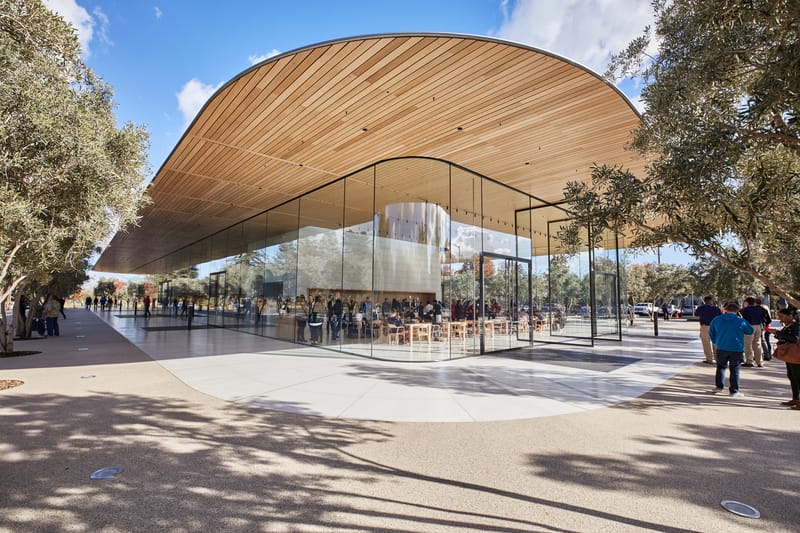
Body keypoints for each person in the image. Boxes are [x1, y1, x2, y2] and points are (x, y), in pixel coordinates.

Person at [709, 301, 753, 397]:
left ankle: (719, 387)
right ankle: (734, 391)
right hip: (736, 347)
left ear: (725, 309)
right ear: (738, 310)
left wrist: (715, 341)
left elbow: (711, 332)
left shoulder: (717, 319)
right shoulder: (740, 321)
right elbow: (750, 331)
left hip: (721, 346)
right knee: (735, 370)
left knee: (720, 367)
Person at [773, 308, 800, 410]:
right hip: (789, 354)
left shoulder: (797, 325)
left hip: (795, 354)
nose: (780, 319)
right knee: (792, 376)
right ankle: (796, 398)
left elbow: (795, 338)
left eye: (781, 316)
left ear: (790, 315)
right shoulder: (789, 325)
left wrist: (779, 333)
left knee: (797, 377)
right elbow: (787, 337)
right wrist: (777, 334)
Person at [694, 296, 722, 364]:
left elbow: (696, 315)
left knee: (706, 343)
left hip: (705, 326)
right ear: (711, 301)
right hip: (715, 326)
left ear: (704, 301)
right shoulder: (716, 308)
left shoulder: (701, 308)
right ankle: (717, 358)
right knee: (715, 343)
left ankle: (709, 359)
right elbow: (720, 316)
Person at [739, 297, 765, 367]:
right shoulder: (759, 309)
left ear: (746, 302)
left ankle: (749, 361)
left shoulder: (745, 309)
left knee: (748, 344)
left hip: (749, 326)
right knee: (757, 343)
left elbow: (743, 318)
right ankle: (759, 361)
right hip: (758, 326)